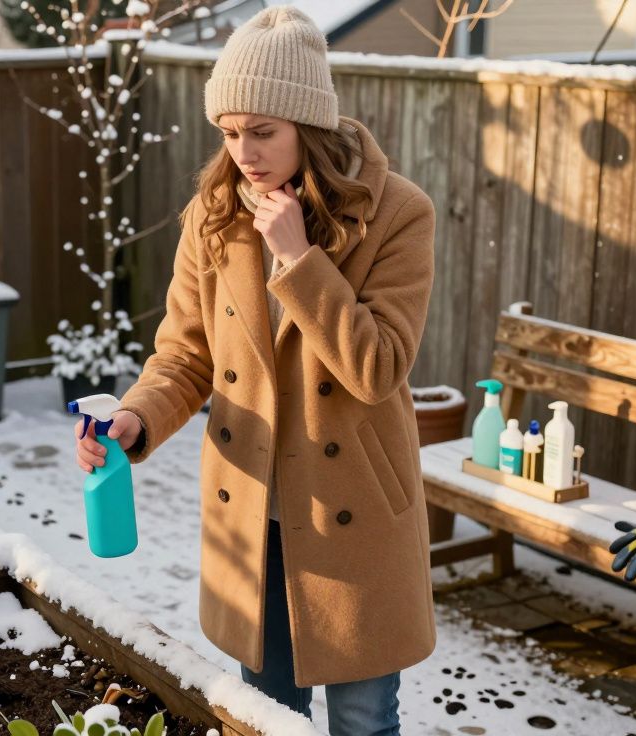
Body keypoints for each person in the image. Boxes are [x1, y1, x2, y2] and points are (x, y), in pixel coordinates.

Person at [73, 6, 436, 733]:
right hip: (253, 513)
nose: (243, 152)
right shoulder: (213, 216)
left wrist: (301, 260)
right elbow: (184, 354)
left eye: (262, 131)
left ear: (309, 124)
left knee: (363, 722)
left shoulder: (397, 214)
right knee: (267, 718)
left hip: (352, 516)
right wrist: (137, 417)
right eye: (230, 132)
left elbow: (378, 368)